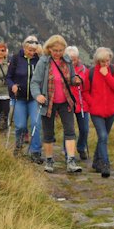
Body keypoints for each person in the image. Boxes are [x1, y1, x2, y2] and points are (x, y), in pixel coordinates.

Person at [30, 35, 83, 174]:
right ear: (49, 49)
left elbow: (71, 79)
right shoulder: (43, 62)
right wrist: (38, 95)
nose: (58, 53)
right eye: (55, 50)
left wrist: (76, 80)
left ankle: (71, 161)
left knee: (70, 131)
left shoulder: (67, 61)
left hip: (65, 102)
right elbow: (34, 82)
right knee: (48, 133)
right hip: (48, 102)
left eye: (60, 50)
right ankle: (49, 160)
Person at [83, 47, 114, 178]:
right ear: (97, 61)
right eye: (102, 61)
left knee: (102, 138)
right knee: (103, 136)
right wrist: (92, 103)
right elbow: (85, 91)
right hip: (96, 112)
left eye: (107, 60)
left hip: (112, 110)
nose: (106, 64)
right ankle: (105, 164)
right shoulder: (91, 72)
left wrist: (107, 75)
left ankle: (96, 162)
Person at [7, 35, 43, 162]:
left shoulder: (38, 60)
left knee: (36, 123)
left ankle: (36, 152)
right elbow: (9, 77)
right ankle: (18, 146)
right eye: (30, 50)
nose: (32, 52)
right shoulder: (16, 59)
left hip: (34, 98)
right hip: (19, 98)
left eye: (34, 50)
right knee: (21, 125)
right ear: (24, 47)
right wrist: (12, 86)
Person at [65, 45, 90, 160]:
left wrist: (81, 81)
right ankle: (68, 153)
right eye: (70, 59)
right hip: (68, 103)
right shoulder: (62, 69)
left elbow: (88, 86)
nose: (72, 62)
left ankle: (81, 147)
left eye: (74, 59)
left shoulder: (84, 69)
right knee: (69, 130)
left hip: (81, 103)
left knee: (84, 129)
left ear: (78, 58)